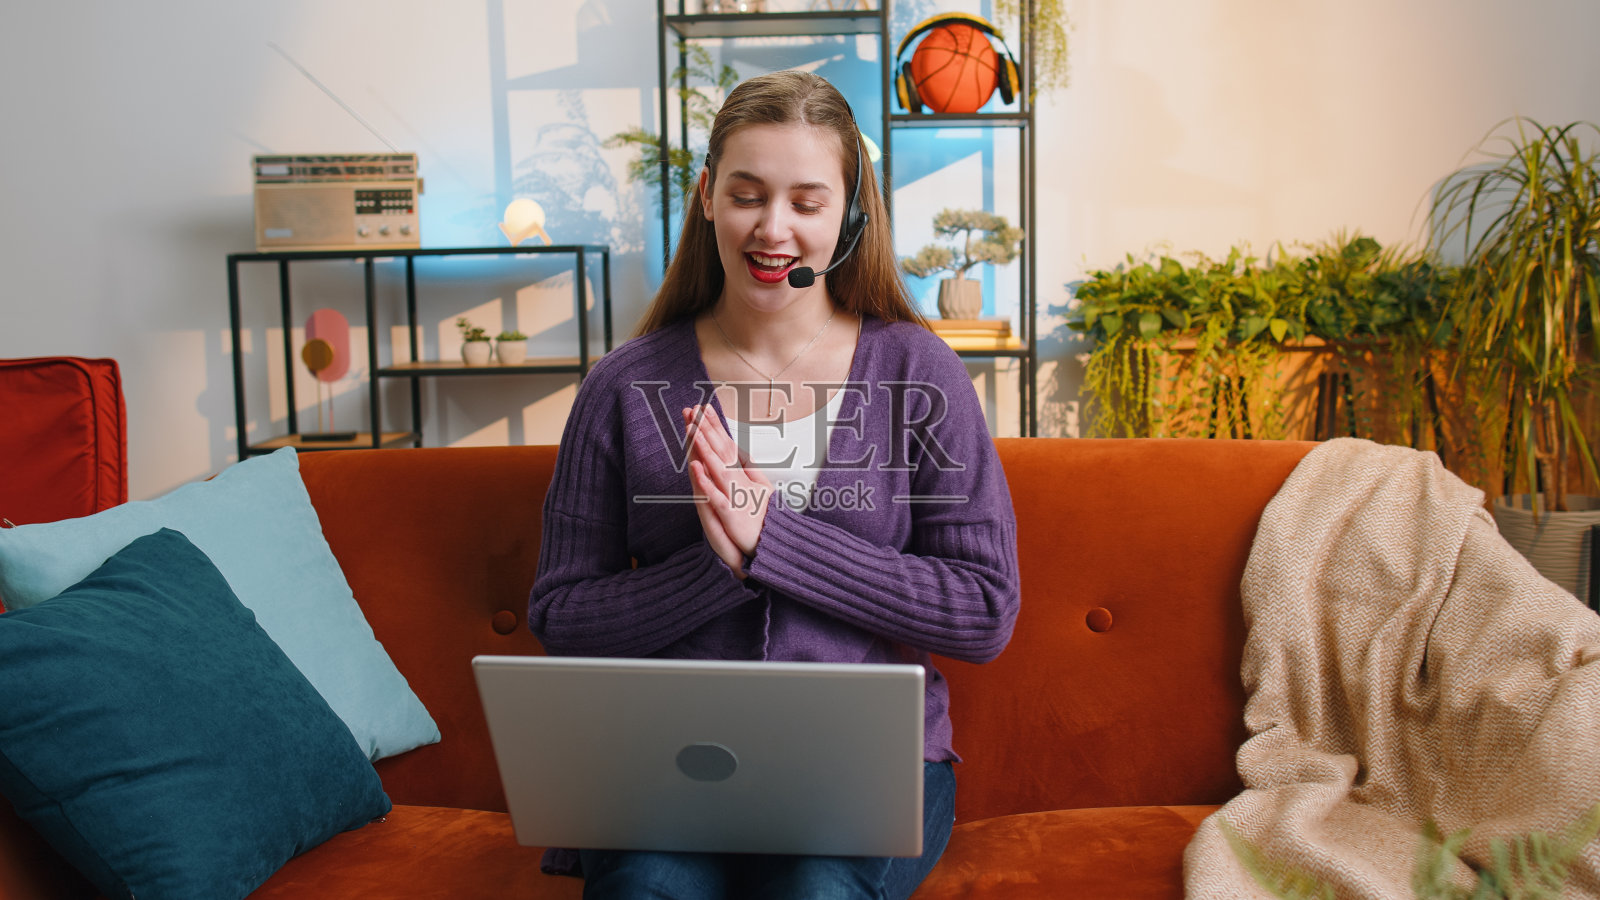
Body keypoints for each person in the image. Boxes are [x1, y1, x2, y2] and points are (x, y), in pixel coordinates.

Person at [528, 68, 1021, 900]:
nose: (774, 228)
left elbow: (983, 610)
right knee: (646, 888)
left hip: (867, 770)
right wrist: (717, 569)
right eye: (748, 194)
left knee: (816, 891)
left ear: (851, 213)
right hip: (670, 764)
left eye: (807, 201)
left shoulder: (919, 373)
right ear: (708, 198)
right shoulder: (622, 385)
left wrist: (776, 545)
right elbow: (560, 614)